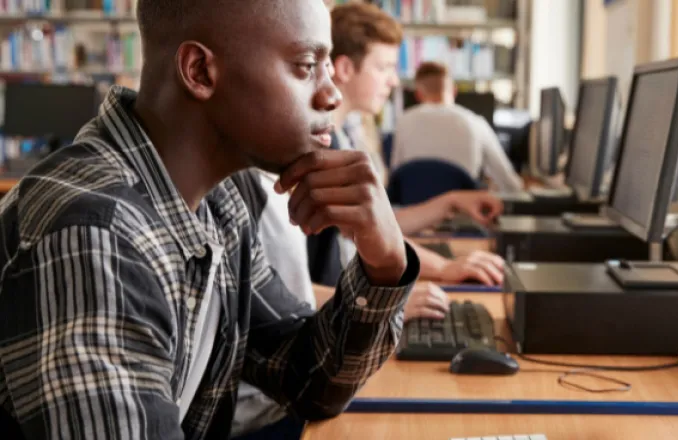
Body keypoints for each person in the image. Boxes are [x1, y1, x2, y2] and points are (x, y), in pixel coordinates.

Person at [0, 1, 421, 439]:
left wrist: (385, 261)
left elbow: (309, 378)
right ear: (200, 71)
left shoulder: (221, 204)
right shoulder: (94, 235)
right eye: (305, 65)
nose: (332, 94)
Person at [231, 169, 448, 439]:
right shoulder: (240, 192)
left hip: (288, 397)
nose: (327, 129)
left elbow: (307, 370)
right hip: (261, 416)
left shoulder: (238, 196)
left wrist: (383, 278)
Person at [308, 2, 506, 289]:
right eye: (384, 67)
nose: (393, 80)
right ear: (345, 68)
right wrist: (443, 268)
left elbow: (377, 226)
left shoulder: (343, 134)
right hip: (332, 307)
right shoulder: (323, 147)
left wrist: (450, 202)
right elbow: (363, 233)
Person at [391, 61, 525, 192]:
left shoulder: (402, 122)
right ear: (454, 91)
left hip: (413, 212)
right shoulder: (476, 123)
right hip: (464, 212)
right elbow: (511, 185)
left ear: (418, 94)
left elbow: (395, 177)